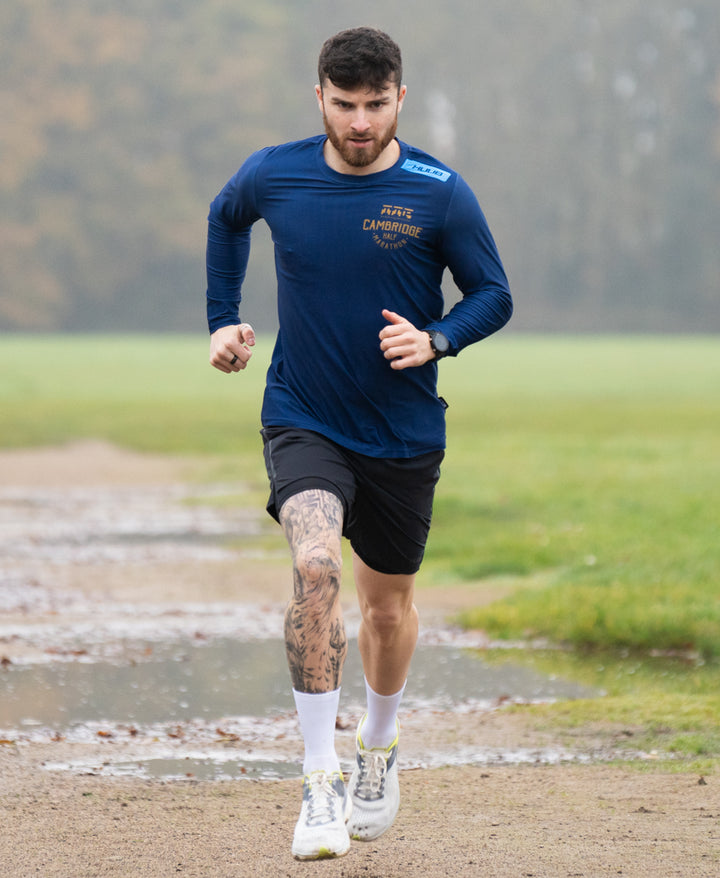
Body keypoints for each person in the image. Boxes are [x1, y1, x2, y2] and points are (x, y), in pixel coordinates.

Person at [205, 26, 512, 861]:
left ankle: (378, 747)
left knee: (386, 609)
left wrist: (438, 340)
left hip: (404, 432)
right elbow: (226, 217)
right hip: (302, 414)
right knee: (314, 572)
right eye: (345, 105)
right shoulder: (276, 172)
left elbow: (493, 293)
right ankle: (318, 779)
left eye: (377, 104)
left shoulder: (440, 192)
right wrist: (223, 318)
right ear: (320, 99)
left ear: (400, 100)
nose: (361, 121)